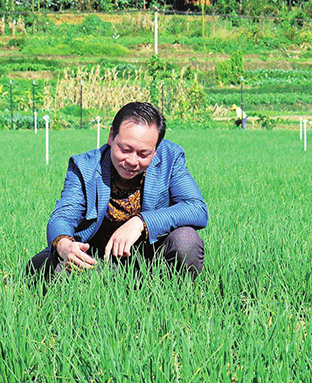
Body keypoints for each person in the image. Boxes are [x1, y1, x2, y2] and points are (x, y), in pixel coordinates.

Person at [26, 102, 208, 281]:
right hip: (100, 260)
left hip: (151, 259)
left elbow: (196, 208)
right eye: (125, 149)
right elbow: (63, 216)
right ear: (111, 136)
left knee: (186, 240)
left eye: (143, 154)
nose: (132, 161)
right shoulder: (85, 166)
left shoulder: (170, 158)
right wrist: (65, 244)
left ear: (156, 149)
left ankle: (170, 299)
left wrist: (141, 222)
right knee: (46, 268)